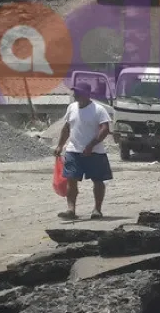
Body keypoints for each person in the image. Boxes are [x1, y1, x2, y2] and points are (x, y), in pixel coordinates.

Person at [53, 82, 113, 220]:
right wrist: (60, 145)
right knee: (71, 179)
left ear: (87, 94)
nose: (75, 95)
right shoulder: (71, 108)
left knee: (97, 181)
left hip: (95, 152)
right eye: (75, 92)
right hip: (73, 151)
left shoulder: (98, 110)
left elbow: (105, 129)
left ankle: (97, 210)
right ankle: (71, 210)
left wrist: (91, 145)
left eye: (78, 92)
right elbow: (67, 128)